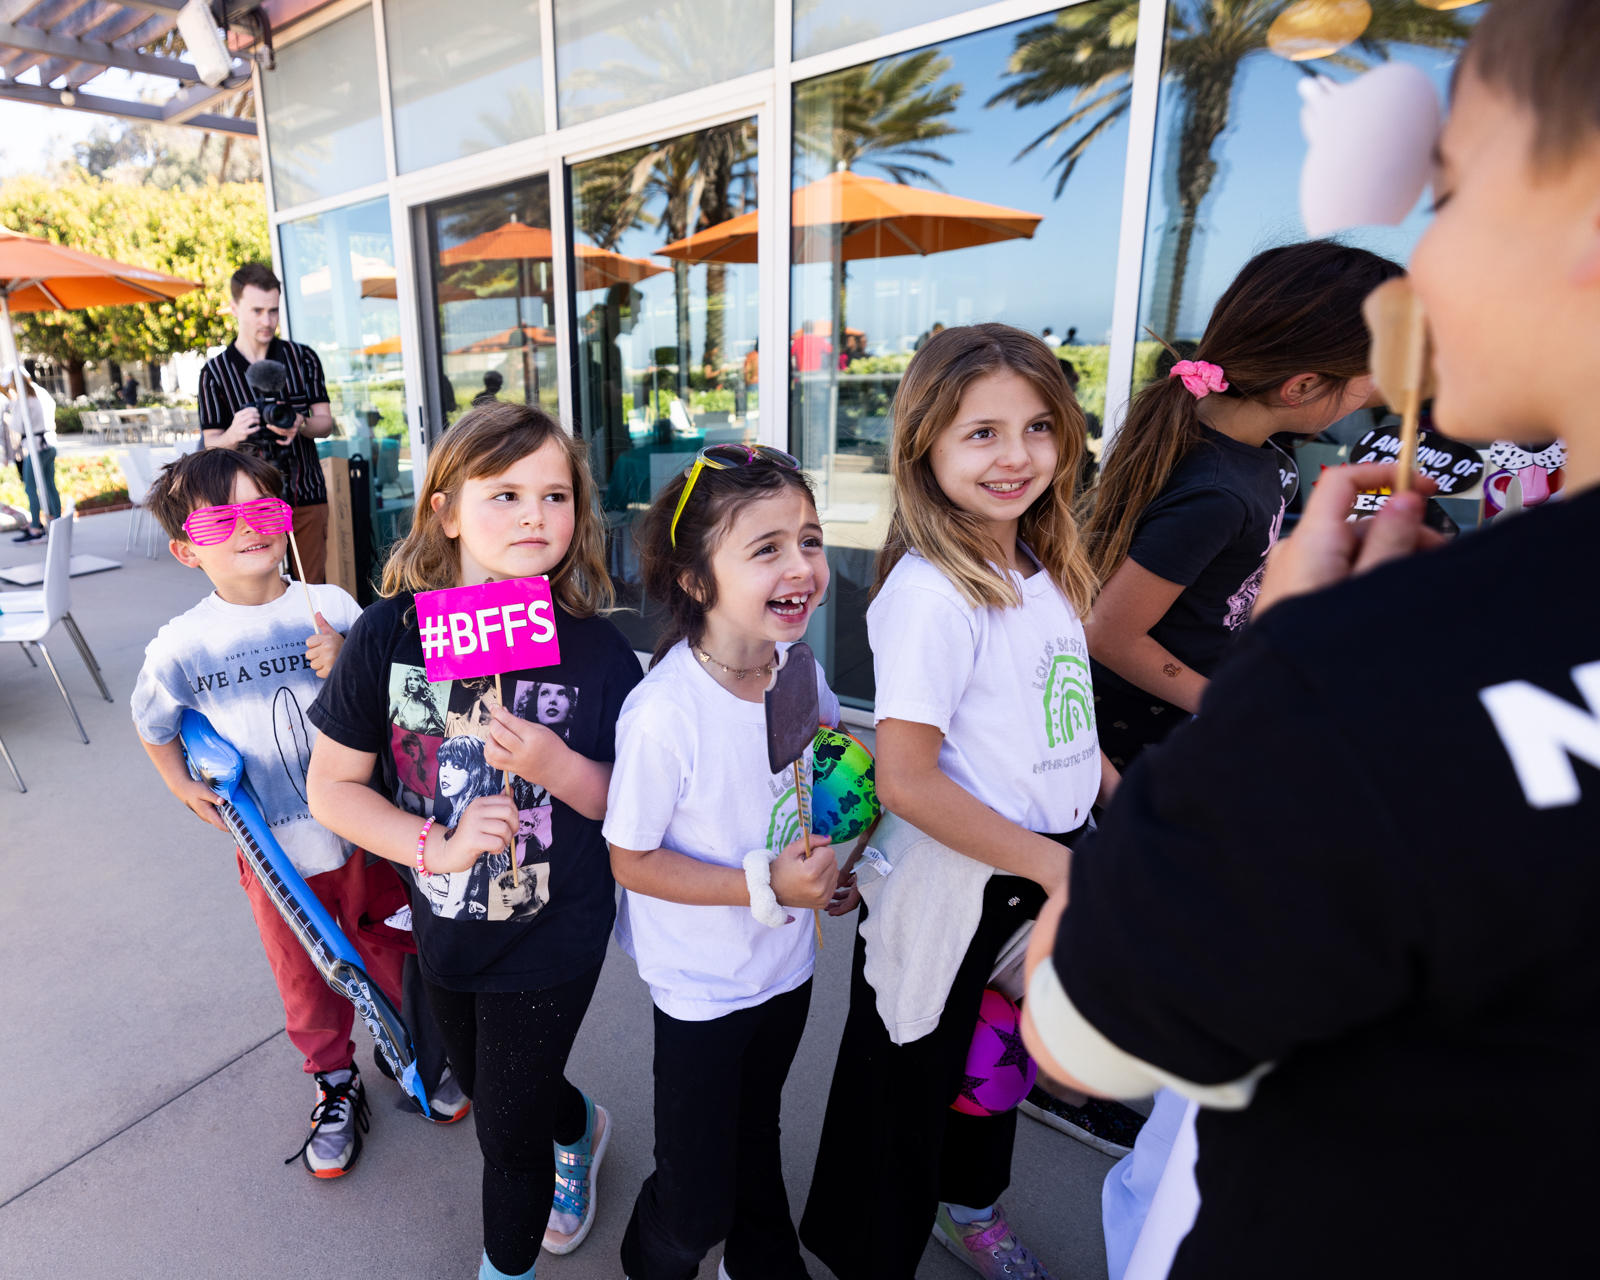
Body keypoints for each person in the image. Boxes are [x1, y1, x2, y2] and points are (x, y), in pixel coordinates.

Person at [1019, 2, 1600, 1274]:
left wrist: (1293, 684)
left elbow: (1083, 1024)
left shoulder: (1383, 665)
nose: (1427, 264)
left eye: (1447, 187)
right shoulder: (1270, 532)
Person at [800, 324, 1119, 1280]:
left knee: (995, 1071)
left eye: (1036, 427)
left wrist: (1124, 804)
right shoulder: (934, 593)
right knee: (904, 1081)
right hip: (958, 883)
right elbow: (905, 778)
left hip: (1042, 871)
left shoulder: (1044, 566)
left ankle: (969, 1208)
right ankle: (871, 1255)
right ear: (925, 447)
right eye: (980, 433)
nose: (1015, 455)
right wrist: (1059, 866)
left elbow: (1064, 721)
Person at [305, 402, 643, 1280]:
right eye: (506, 494)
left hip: (554, 927)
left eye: (556, 494)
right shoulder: (388, 636)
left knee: (505, 1134)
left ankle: (510, 1260)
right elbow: (332, 788)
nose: (536, 515)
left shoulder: (601, 655)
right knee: (488, 1082)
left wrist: (558, 764)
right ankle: (581, 1123)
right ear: (447, 512)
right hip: (445, 919)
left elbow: (631, 809)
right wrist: (434, 847)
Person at [129, 448, 467, 1182]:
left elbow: (402, 708)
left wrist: (348, 657)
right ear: (187, 548)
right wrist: (181, 785)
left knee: (395, 951)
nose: (250, 527)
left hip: (367, 837)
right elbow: (152, 723)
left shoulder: (334, 607)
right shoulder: (182, 647)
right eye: (222, 518)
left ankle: (411, 1047)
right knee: (306, 979)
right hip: (278, 857)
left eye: (265, 509)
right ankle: (335, 1081)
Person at [604, 443, 853, 1280]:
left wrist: (837, 860)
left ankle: (763, 1256)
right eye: (767, 548)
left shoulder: (798, 670)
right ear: (697, 581)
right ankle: (660, 1256)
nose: (802, 566)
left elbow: (827, 760)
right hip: (702, 990)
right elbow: (631, 859)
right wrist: (767, 883)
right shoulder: (664, 715)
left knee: (759, 1128)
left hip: (785, 963)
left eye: (809, 540)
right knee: (694, 1197)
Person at [1081, 242, 1400, 770]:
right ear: (1301, 385)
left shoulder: (1264, 459)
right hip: (1144, 731)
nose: (1378, 389)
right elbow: (1109, 633)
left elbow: (1229, 570)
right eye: (1374, 370)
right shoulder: (1216, 492)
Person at [200, 263, 336, 583]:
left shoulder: (303, 358)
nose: (267, 320)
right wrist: (234, 433)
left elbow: (325, 423)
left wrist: (300, 423)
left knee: (310, 584)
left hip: (306, 492)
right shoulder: (215, 373)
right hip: (245, 506)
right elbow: (210, 444)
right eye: (257, 310)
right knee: (257, 588)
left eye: (273, 311)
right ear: (233, 308)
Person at [4, 371, 59, 543]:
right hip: (48, 445)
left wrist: (9, 414)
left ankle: (35, 527)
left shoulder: (23, 401)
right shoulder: (38, 394)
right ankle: (57, 524)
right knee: (50, 486)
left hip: (36, 449)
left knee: (30, 488)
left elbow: (17, 426)